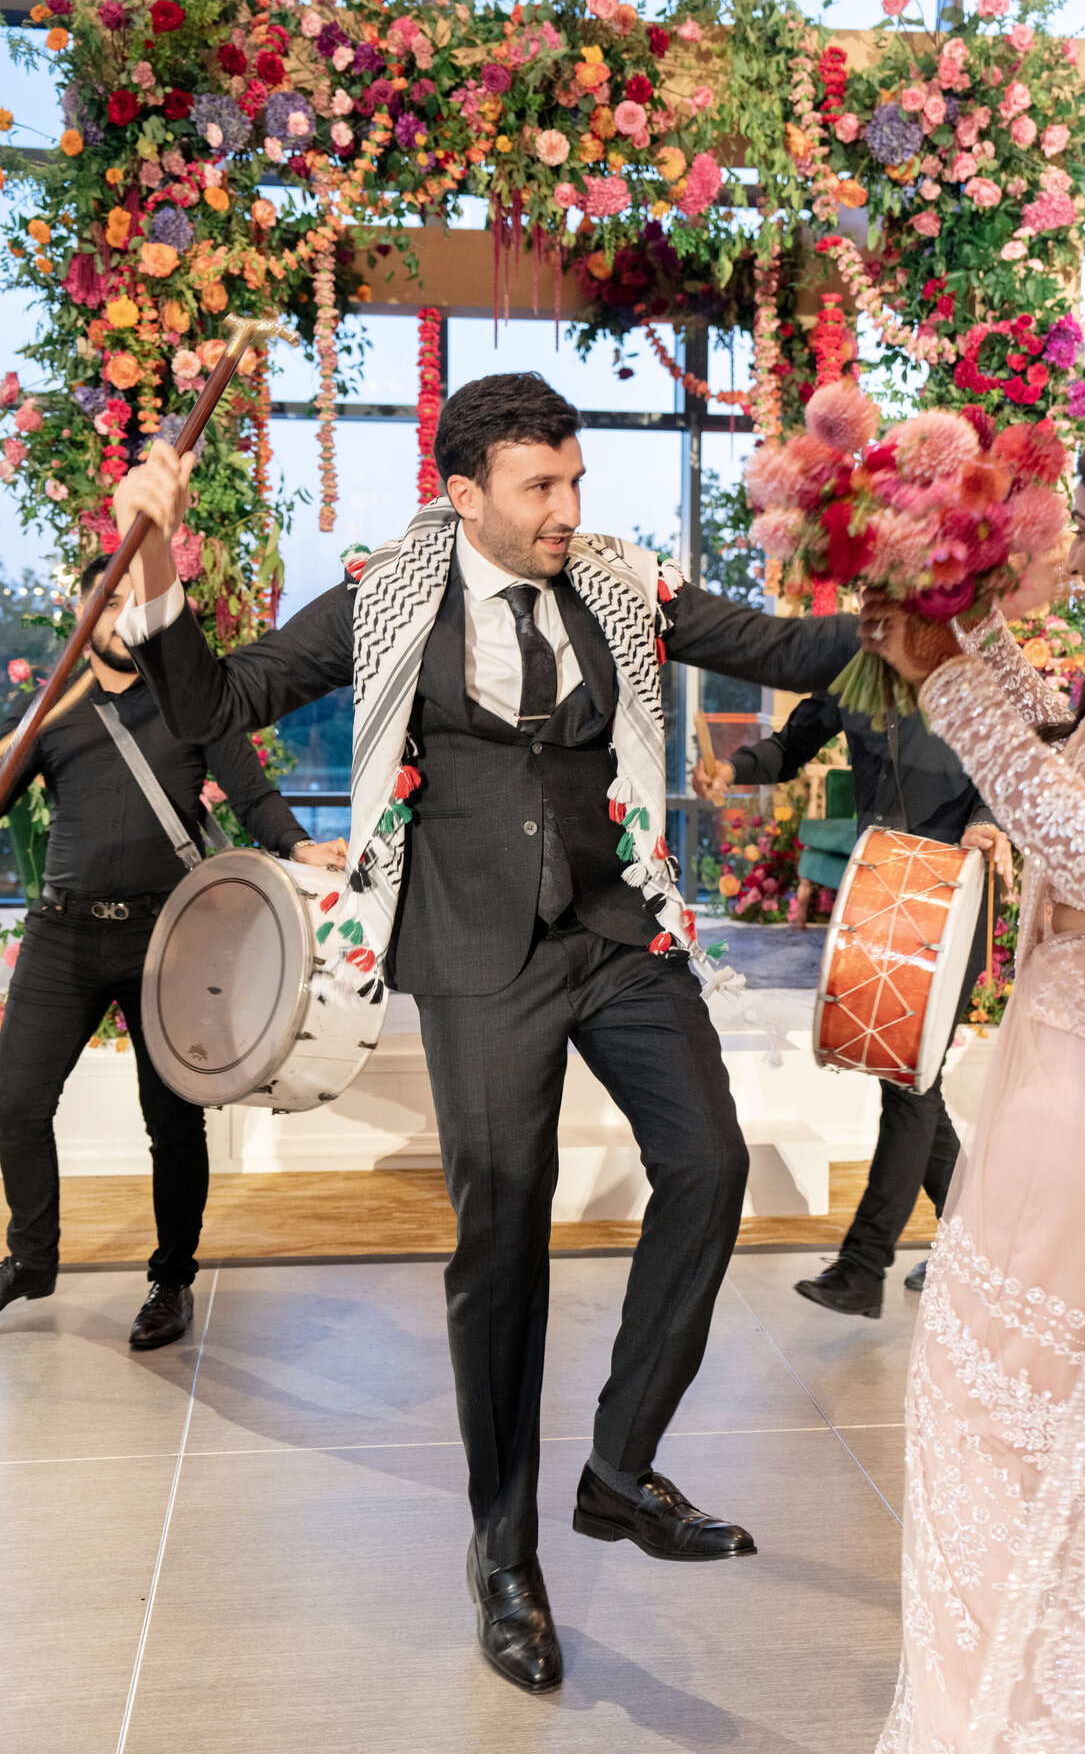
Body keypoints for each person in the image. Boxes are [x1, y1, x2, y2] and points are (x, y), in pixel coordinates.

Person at [110, 371, 869, 1694]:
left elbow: (781, 648)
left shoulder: (623, 582)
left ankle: (622, 1470)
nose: (569, 508)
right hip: (471, 954)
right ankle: (504, 1556)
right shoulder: (392, 594)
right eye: (542, 487)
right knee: (501, 1243)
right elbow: (210, 707)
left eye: (576, 481)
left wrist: (915, 613)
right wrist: (160, 573)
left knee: (710, 1165)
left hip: (616, 930)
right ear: (467, 494)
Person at [866, 410, 1085, 1753]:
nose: (1083, 555)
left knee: (1003, 1400)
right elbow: (1069, 748)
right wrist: (973, 643)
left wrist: (946, 688)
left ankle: (1003, 1700)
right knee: (1005, 1397)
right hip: (1074, 1077)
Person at [0, 557, 344, 1349]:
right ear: (82, 620)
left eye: (131, 602)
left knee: (172, 1121)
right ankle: (31, 1260)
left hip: (167, 939)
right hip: (63, 932)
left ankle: (171, 1280)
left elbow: (254, 796)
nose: (119, 616)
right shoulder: (47, 709)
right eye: (104, 604)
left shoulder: (191, 703)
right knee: (15, 1104)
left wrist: (300, 845)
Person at [692, 664, 1011, 1318]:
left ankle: (864, 1267)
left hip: (952, 902)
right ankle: (984, 1253)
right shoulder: (854, 673)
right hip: (880, 903)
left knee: (908, 1082)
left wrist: (982, 821)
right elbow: (793, 744)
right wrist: (734, 768)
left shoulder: (974, 674)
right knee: (914, 1081)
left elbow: (1007, 771)